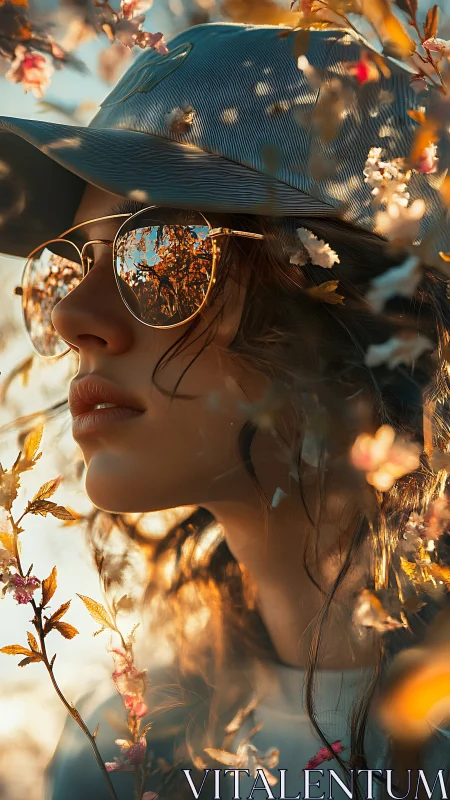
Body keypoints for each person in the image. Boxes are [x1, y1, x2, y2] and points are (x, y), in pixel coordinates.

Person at [1, 18, 450, 800]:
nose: (75, 315)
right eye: (70, 265)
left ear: (368, 311)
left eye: (164, 252)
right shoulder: (121, 761)